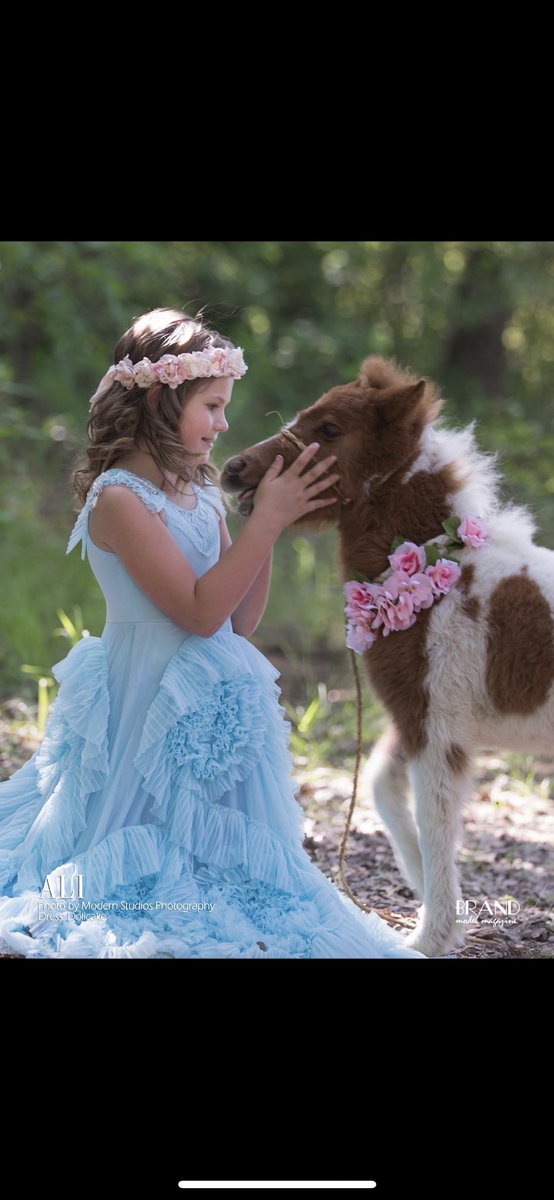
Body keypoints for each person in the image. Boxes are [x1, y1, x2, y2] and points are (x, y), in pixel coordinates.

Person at [0, 307, 425, 958]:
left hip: (208, 707)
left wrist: (269, 523)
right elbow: (197, 613)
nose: (224, 424)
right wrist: (265, 522)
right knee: (153, 868)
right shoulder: (119, 498)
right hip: (144, 695)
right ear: (163, 404)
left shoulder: (198, 492)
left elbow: (238, 621)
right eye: (214, 406)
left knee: (234, 870)